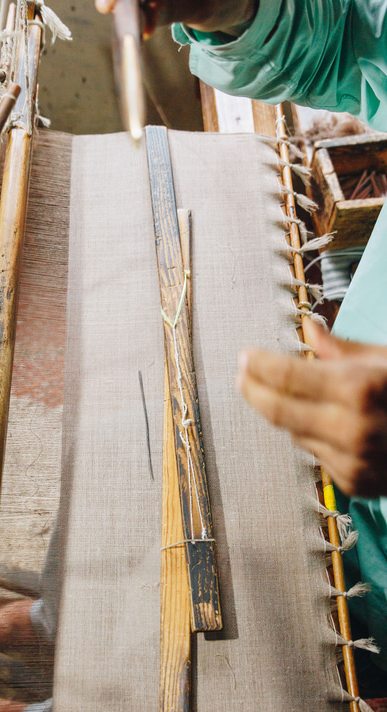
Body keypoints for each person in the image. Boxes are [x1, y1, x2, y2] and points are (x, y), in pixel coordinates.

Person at [96, 0, 387, 666]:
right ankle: (40, 628)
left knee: (251, 657)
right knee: (121, 483)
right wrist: (235, 10)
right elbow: (350, 41)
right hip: (328, 409)